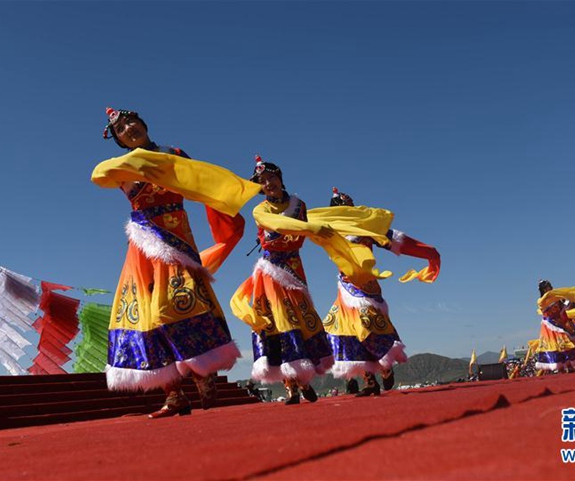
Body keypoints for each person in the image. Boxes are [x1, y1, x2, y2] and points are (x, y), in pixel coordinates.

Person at [92, 107, 260, 418]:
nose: (128, 128)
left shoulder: (174, 153)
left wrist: (231, 195)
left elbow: (204, 183)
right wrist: (140, 163)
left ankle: (203, 373)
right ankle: (174, 394)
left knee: (177, 303)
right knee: (142, 313)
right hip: (143, 242)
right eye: (120, 129)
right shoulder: (121, 167)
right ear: (118, 139)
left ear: (143, 123)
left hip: (177, 238)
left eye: (131, 122)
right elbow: (98, 175)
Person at [230, 156, 337, 404]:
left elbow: (299, 235)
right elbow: (277, 224)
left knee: (301, 318)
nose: (268, 183)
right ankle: (291, 386)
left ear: (280, 178)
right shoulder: (260, 210)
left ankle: (304, 379)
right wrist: (309, 229)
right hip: (270, 271)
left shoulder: (300, 205)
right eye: (262, 181)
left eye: (271, 178)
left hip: (294, 269)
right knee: (279, 321)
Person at [322, 188, 441, 396]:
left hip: (366, 287)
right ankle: (369, 381)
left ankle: (386, 366)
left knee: (368, 328)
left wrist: (428, 252)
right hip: (345, 287)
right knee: (346, 333)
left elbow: (395, 240)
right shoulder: (330, 232)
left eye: (345, 208)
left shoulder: (367, 228)